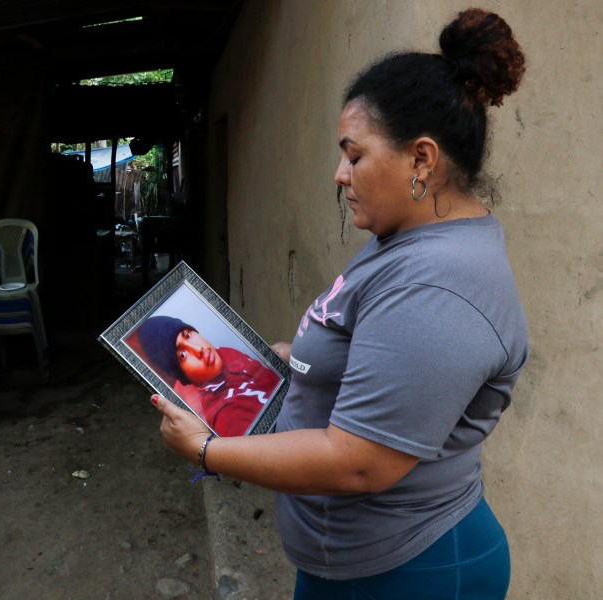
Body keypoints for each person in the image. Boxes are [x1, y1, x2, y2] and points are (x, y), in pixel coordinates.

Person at [150, 8, 528, 599]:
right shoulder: (402, 240)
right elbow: (368, 352)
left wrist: (207, 449)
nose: (339, 174)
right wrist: (294, 363)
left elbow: (360, 462)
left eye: (354, 156)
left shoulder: (439, 285)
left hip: (411, 572)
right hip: (349, 564)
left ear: (421, 160)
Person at [136, 315, 280, 437]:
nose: (199, 349)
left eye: (188, 335)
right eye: (182, 355)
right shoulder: (226, 415)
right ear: (181, 373)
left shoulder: (224, 353)